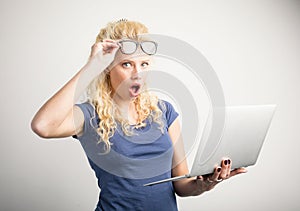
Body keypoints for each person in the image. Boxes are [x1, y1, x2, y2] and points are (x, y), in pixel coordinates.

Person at [31, 19, 247, 211]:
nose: (137, 74)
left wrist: (205, 183)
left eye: (143, 64)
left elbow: (180, 185)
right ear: (107, 69)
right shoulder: (90, 115)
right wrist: (91, 66)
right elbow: (43, 125)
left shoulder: (164, 111)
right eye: (127, 64)